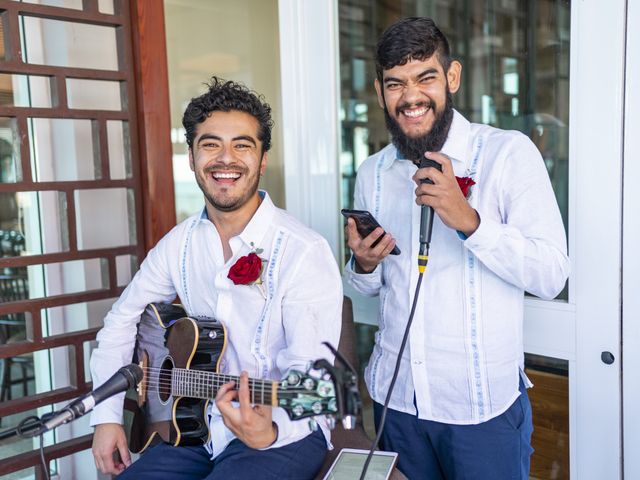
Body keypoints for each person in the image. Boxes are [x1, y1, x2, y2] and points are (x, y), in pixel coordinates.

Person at [344, 17, 570, 479]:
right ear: (380, 89)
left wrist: (469, 221)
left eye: (425, 77)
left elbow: (551, 275)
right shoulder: (372, 172)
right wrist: (363, 264)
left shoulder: (508, 154)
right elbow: (366, 288)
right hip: (396, 401)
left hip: (480, 410)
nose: (410, 97)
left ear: (452, 77)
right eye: (395, 83)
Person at [90, 77, 342, 479]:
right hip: (192, 428)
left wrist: (269, 430)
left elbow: (308, 373)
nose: (226, 159)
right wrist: (106, 418)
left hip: (282, 431)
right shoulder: (179, 243)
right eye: (211, 144)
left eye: (242, 145)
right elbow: (120, 322)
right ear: (191, 157)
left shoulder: (302, 251)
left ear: (262, 160)